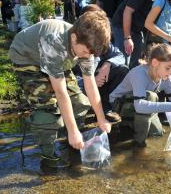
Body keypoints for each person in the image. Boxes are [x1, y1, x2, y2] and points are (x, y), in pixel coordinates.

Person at [8, 10, 112, 168]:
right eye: (85, 52)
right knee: (49, 112)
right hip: (27, 57)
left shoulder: (87, 46)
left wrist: (101, 118)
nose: (87, 56)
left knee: (80, 102)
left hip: (58, 60)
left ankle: (72, 143)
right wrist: (72, 130)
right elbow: (60, 92)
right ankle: (49, 156)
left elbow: (90, 83)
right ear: (73, 37)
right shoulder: (54, 42)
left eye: (90, 53)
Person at [110, 44, 171, 147]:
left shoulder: (166, 77)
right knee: (151, 96)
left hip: (140, 104)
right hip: (119, 104)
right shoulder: (139, 74)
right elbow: (140, 106)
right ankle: (137, 140)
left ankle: (134, 126)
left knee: (157, 134)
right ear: (155, 62)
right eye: (168, 68)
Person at [73, 4, 129, 122]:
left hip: (98, 82)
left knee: (122, 70)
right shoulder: (74, 41)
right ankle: (81, 111)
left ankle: (104, 108)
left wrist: (108, 64)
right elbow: (65, 78)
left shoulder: (102, 40)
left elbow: (120, 56)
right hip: (79, 85)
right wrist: (90, 81)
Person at [111, 0, 169, 69]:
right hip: (121, 24)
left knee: (137, 62)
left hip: (137, 29)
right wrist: (127, 38)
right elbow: (127, 12)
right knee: (123, 61)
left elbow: (149, 23)